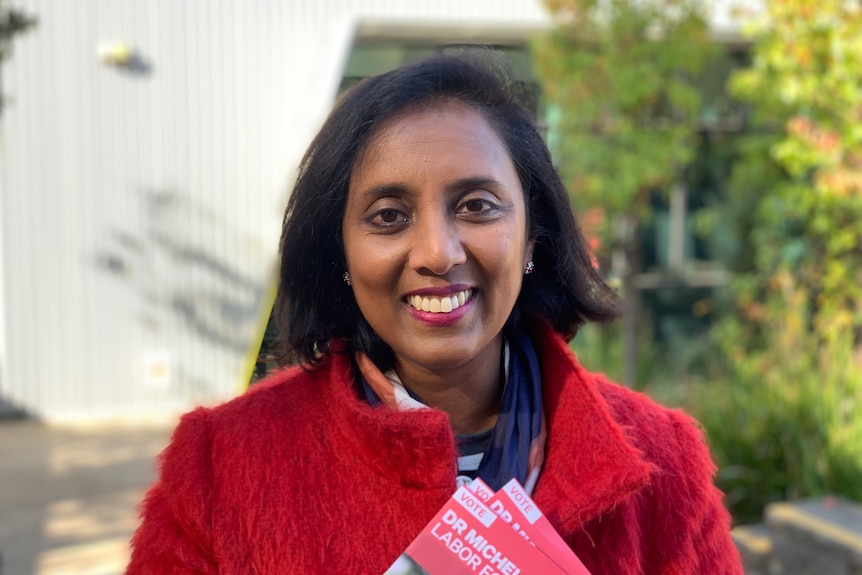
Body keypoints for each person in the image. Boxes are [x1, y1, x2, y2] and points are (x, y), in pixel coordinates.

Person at [127, 51, 743, 574]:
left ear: (533, 237)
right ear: (339, 248)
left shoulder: (666, 465)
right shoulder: (219, 467)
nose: (437, 253)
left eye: (476, 206)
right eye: (389, 216)